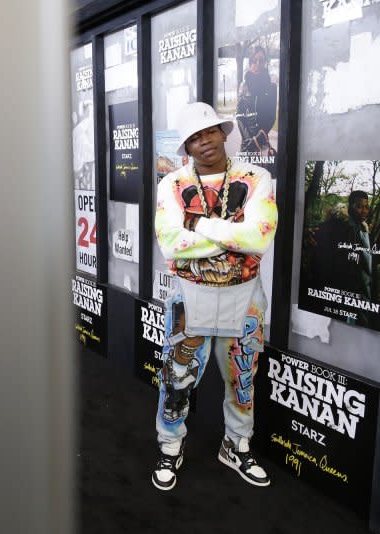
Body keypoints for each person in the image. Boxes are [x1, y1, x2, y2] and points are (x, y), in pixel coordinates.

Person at [152, 102, 278, 490]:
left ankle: (236, 444)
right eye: (194, 138)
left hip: (244, 294)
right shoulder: (172, 185)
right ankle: (170, 444)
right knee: (177, 376)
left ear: (224, 132)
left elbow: (259, 236)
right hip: (190, 295)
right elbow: (171, 245)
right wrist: (230, 237)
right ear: (186, 147)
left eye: (209, 132)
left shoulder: (257, 178)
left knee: (242, 376)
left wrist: (199, 224)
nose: (204, 142)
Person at [310, 190, 374, 326]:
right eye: (359, 206)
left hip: (362, 290)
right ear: (350, 206)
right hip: (342, 290)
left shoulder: (364, 230)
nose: (364, 211)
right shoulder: (338, 225)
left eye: (366, 207)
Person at [236, 45, 277, 156]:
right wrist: (249, 139)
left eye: (261, 60)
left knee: (263, 173)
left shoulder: (272, 87)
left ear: (265, 63)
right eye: (255, 60)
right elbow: (239, 115)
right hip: (246, 144)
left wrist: (257, 140)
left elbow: (271, 117)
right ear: (250, 63)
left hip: (262, 143)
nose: (258, 63)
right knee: (243, 173)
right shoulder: (243, 86)